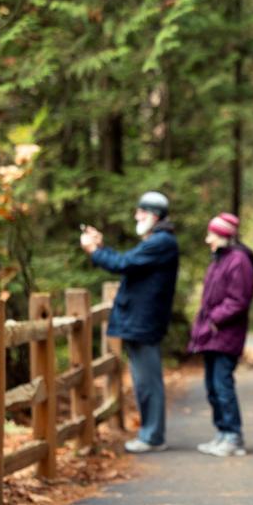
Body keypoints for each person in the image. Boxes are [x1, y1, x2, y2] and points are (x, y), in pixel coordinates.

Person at [81, 191, 180, 454]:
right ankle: (150, 433)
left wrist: (93, 251)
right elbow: (129, 263)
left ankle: (153, 436)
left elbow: (123, 264)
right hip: (140, 321)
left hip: (143, 322)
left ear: (154, 215)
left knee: (148, 382)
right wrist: (101, 248)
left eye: (141, 211)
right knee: (143, 381)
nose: (136, 216)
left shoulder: (161, 242)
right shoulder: (157, 241)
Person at [187, 212, 253, 458]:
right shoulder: (220, 259)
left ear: (224, 235)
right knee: (212, 386)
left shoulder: (238, 260)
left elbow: (238, 300)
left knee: (222, 385)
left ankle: (233, 436)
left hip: (225, 334)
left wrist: (215, 321)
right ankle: (222, 432)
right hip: (211, 334)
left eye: (212, 234)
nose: (208, 239)